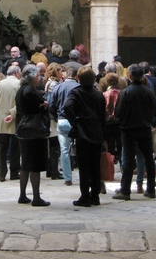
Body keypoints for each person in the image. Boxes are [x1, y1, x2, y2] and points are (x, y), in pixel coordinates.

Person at [112, 64, 156, 201]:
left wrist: (122, 121)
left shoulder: (125, 92)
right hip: (145, 128)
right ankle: (151, 189)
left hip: (128, 130)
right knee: (148, 158)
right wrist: (151, 122)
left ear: (130, 76)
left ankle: (125, 190)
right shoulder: (149, 92)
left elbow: (118, 112)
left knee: (128, 160)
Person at [65, 66, 106, 207]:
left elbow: (67, 107)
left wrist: (74, 121)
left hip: (82, 132)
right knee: (95, 165)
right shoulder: (99, 95)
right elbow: (103, 117)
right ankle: (95, 196)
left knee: (84, 166)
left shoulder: (76, 93)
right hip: (96, 131)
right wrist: (103, 135)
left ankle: (85, 196)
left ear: (79, 78)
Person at [14, 65, 50, 207]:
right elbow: (33, 99)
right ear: (31, 77)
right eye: (37, 76)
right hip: (33, 130)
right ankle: (36, 197)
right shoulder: (28, 90)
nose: (39, 78)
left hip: (24, 128)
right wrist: (42, 103)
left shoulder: (21, 89)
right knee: (34, 164)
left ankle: (23, 195)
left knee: (25, 164)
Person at [0, 65, 22, 182]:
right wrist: (13, 113)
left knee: (1, 148)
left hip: (1, 120)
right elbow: (21, 102)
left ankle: (1, 174)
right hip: (15, 120)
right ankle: (14, 173)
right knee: (15, 148)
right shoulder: (19, 84)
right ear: (17, 73)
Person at [43, 63, 64, 180]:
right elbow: (52, 103)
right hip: (52, 118)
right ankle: (54, 170)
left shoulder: (49, 83)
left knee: (52, 144)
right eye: (60, 71)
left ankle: (51, 169)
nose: (62, 73)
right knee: (54, 144)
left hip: (50, 116)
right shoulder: (54, 85)